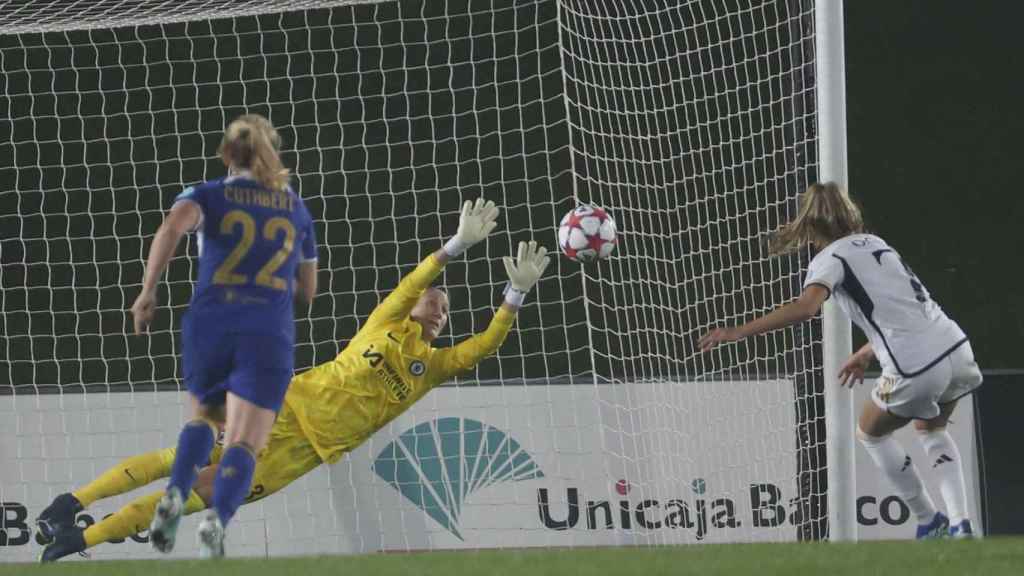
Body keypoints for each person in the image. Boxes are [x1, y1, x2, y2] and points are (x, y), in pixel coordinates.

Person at [37, 200, 552, 561]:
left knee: (195, 494)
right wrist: (456, 245)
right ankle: (73, 503)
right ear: (416, 307)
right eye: (434, 303)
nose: (439, 311)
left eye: (445, 310)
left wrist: (514, 294)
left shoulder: (432, 368)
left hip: (302, 453)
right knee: (179, 459)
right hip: (278, 407)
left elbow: (483, 346)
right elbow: (413, 280)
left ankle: (82, 541)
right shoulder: (385, 323)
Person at [698, 181, 981, 539]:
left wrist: (738, 331)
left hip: (918, 364)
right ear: (850, 213)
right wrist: (866, 352)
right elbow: (905, 310)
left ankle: (930, 520)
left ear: (810, 225)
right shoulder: (879, 244)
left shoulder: (830, 259)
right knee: (932, 429)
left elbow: (806, 308)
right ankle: (961, 524)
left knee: (871, 433)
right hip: (955, 347)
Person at [128, 114, 319, 557]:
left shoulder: (207, 194)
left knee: (205, 420)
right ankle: (216, 519)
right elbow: (309, 290)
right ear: (272, 151)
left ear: (228, 152)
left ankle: (176, 491)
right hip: (266, 331)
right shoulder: (294, 208)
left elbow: (171, 227)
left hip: (211, 320)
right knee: (244, 442)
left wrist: (148, 289)